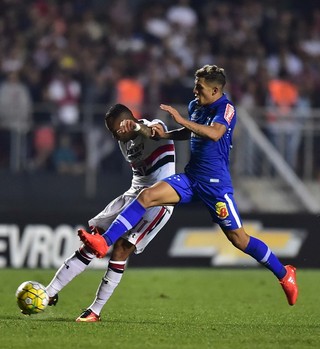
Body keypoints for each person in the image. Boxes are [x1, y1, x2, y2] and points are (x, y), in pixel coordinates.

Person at [78, 64, 298, 306]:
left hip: (215, 186)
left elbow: (214, 134)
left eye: (200, 87)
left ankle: (284, 273)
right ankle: (105, 241)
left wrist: (181, 119)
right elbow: (190, 132)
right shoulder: (196, 106)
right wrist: (167, 134)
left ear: (215, 90)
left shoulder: (227, 109)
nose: (195, 91)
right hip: (191, 179)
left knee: (239, 239)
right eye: (195, 85)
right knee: (146, 196)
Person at [46, 103, 175, 322]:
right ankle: (49, 292)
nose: (116, 135)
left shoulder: (152, 126)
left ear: (129, 121)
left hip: (159, 200)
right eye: (112, 132)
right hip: (132, 195)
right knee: (91, 241)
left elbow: (152, 131)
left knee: (121, 250)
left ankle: (95, 310)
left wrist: (135, 127)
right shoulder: (123, 141)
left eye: (118, 129)